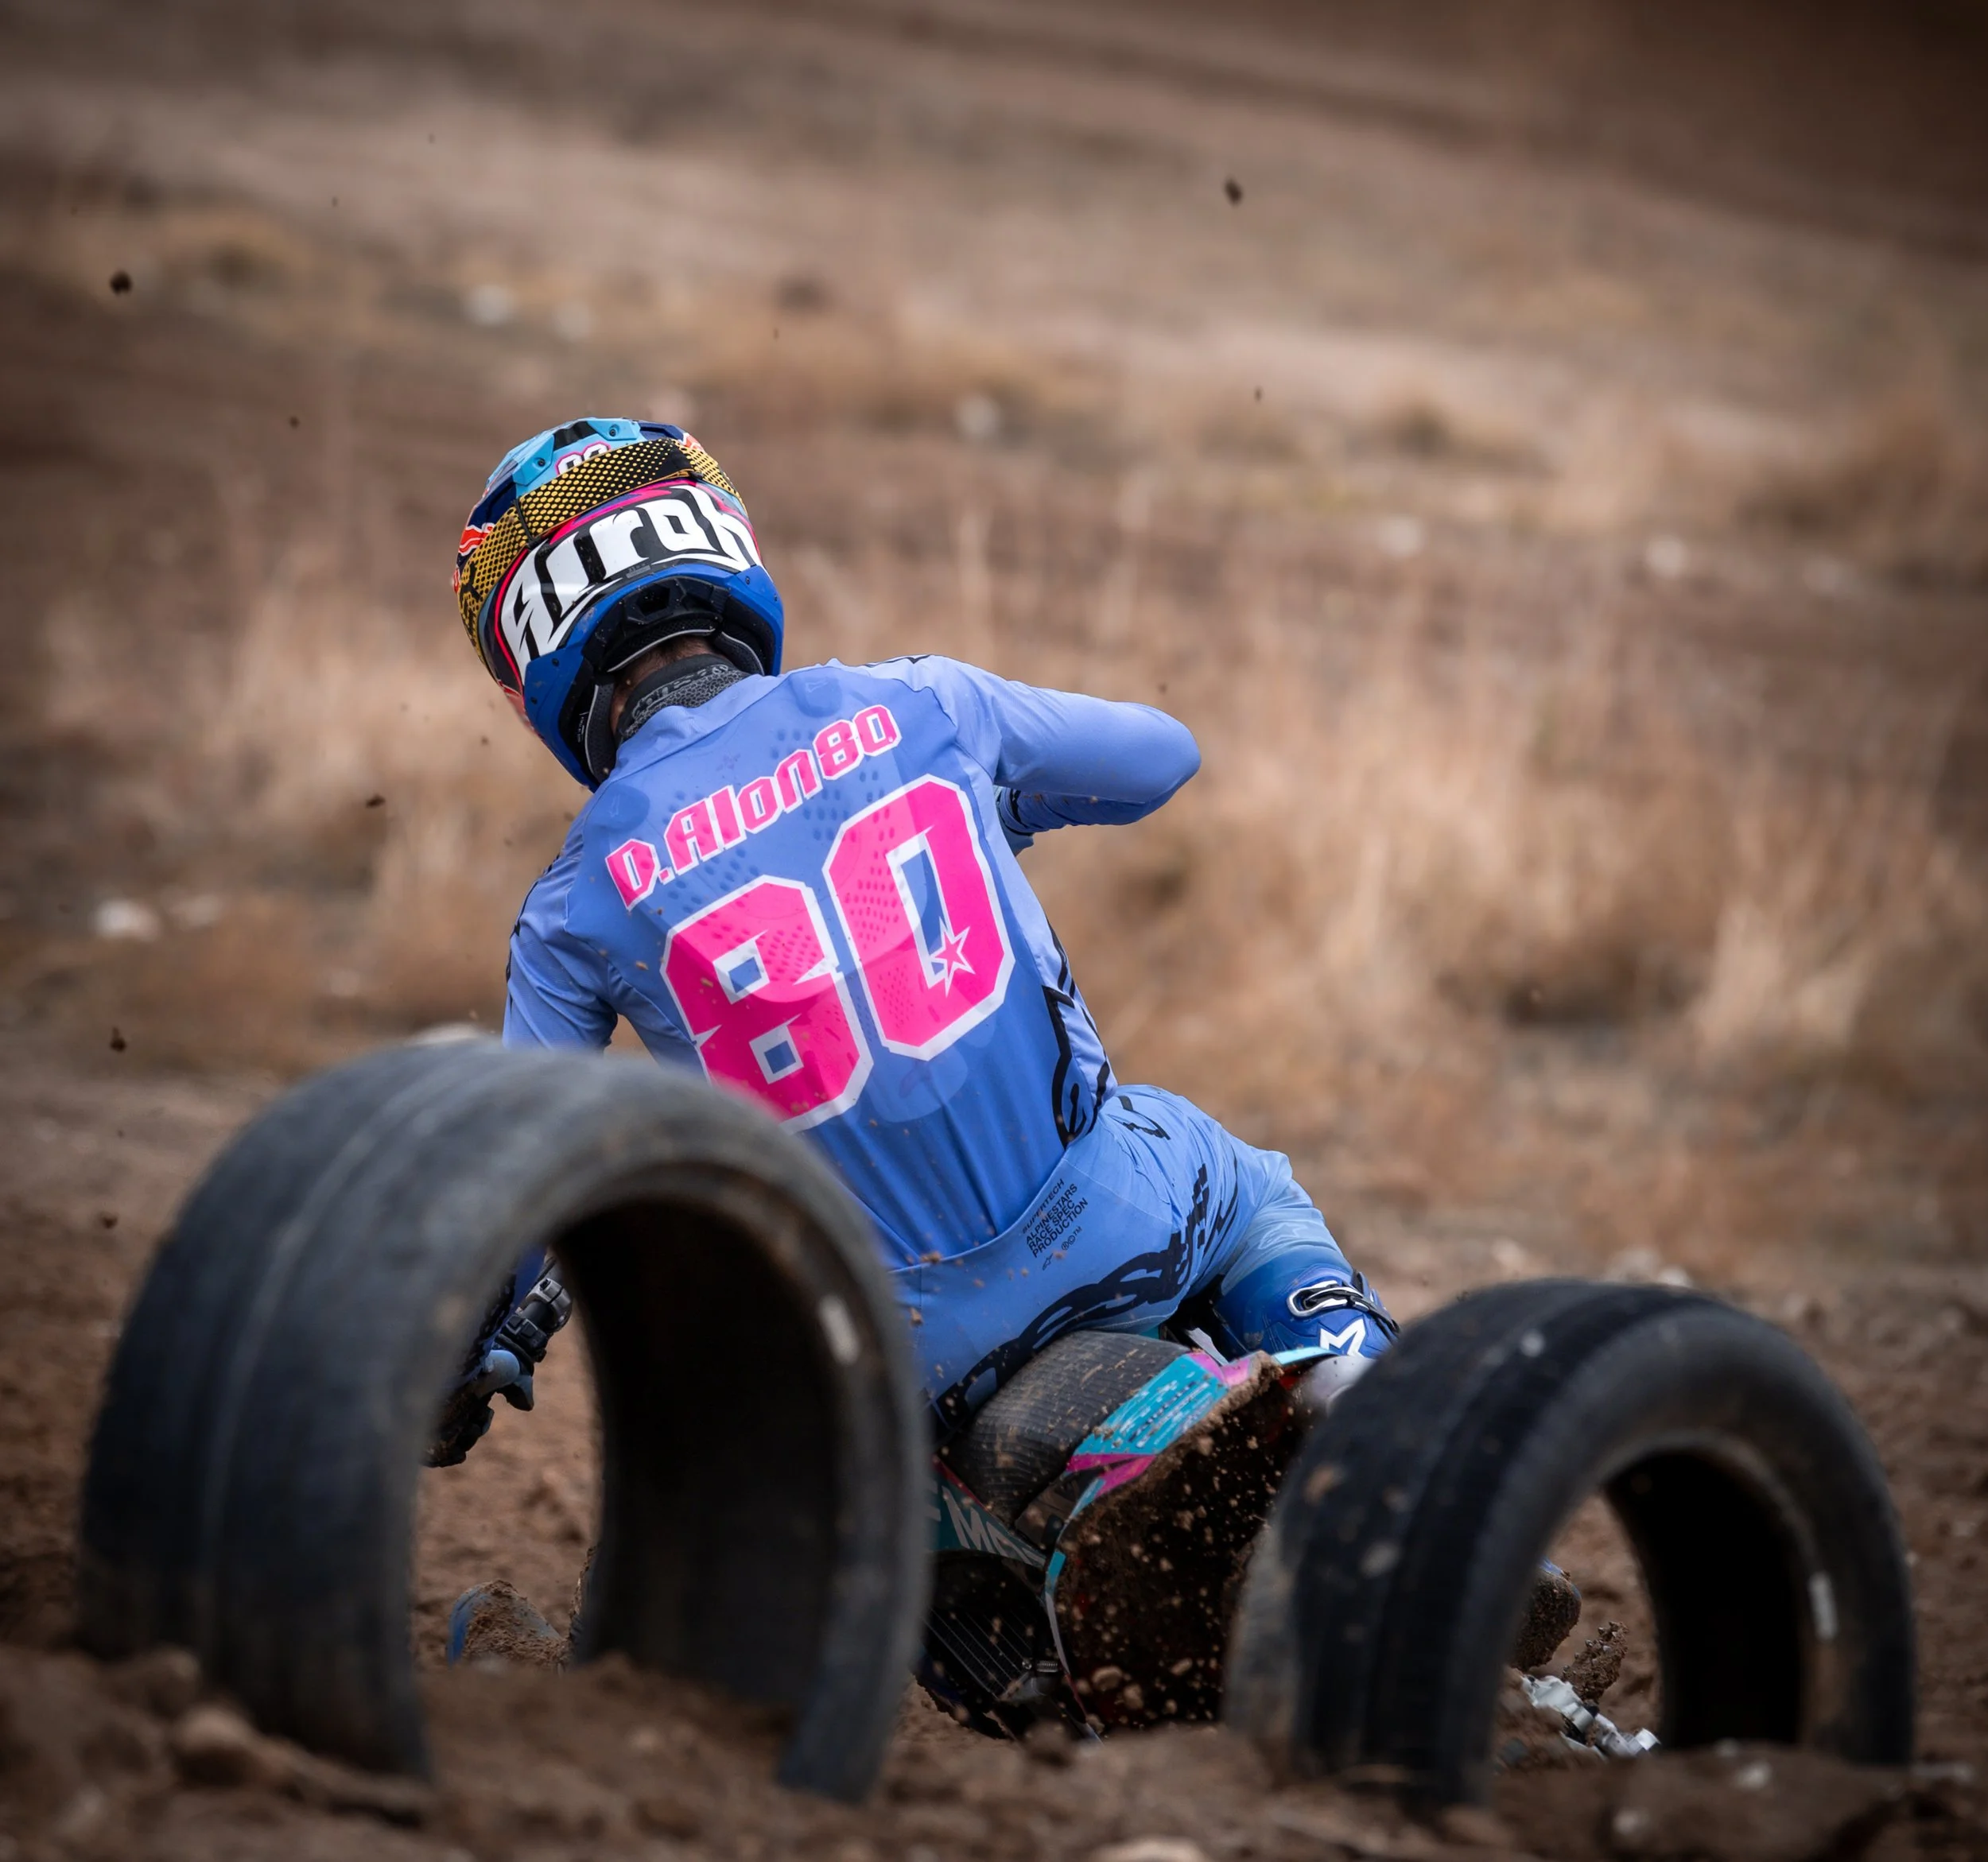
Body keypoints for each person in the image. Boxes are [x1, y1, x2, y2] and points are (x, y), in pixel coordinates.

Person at [433, 416, 1393, 1464]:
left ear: (531, 641)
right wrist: (999, 803)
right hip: (1112, 1226)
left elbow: (518, 1180)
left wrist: (456, 1367)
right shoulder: (923, 702)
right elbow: (1164, 756)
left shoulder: (573, 899)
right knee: (1247, 1182)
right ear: (716, 539)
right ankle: (1385, 1430)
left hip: (884, 1350)